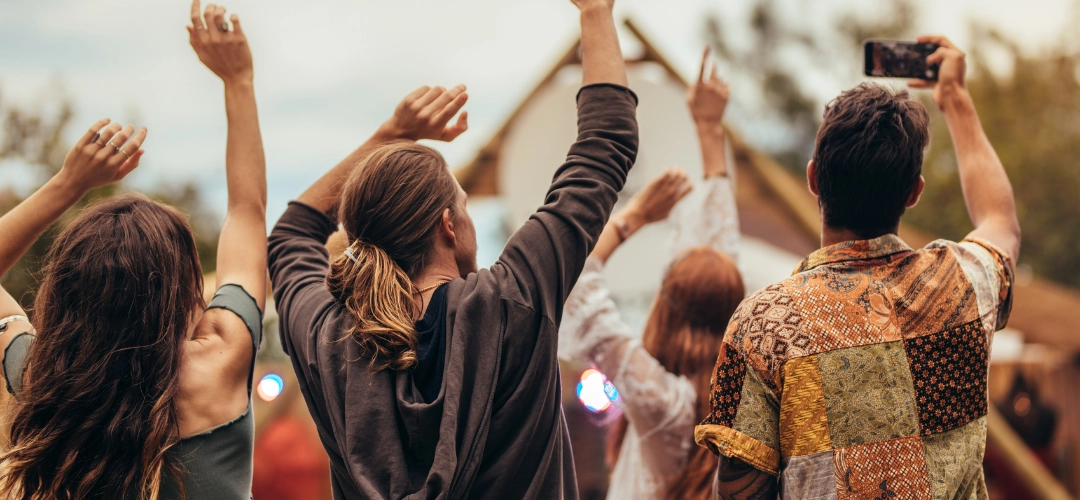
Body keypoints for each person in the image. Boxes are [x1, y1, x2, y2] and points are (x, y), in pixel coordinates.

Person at [266, 0, 636, 496]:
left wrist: (388, 136)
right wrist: (595, 12)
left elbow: (292, 232)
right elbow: (606, 141)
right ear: (448, 225)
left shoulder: (328, 337)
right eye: (462, 205)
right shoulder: (511, 300)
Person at [695, 35, 1020, 499]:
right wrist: (956, 99)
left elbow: (737, 492)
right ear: (914, 192)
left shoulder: (764, 324)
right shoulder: (963, 284)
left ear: (812, 178)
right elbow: (1001, 222)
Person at [0, 2, 268, 498]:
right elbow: (247, 213)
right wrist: (239, 81)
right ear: (183, 293)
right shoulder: (219, 363)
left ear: (66, 295)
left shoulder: (41, 379)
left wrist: (67, 184)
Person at [558, 47, 743, 500]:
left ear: (667, 306)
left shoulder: (666, 404)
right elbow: (720, 265)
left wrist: (631, 217)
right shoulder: (739, 402)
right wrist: (708, 130)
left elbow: (577, 285)